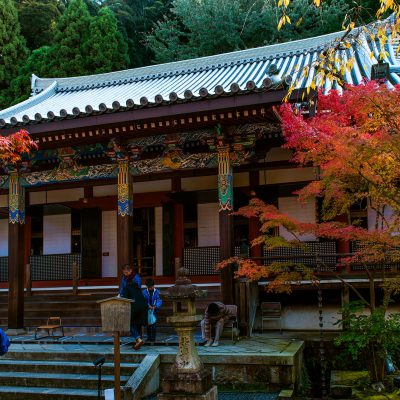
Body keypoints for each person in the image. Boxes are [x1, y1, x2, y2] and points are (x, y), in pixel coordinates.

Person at [119, 266, 147, 350]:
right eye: (124, 272)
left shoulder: (135, 279)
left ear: (130, 271)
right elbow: (122, 288)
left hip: (134, 304)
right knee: (137, 322)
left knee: (130, 322)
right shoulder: (125, 280)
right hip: (141, 304)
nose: (125, 274)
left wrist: (121, 296)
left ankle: (138, 339)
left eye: (126, 272)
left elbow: (124, 291)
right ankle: (139, 341)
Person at [142, 278, 162, 344]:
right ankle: (149, 337)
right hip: (147, 310)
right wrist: (148, 305)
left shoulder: (157, 292)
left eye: (151, 286)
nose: (150, 288)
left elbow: (159, 300)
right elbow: (143, 300)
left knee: (153, 324)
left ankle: (153, 338)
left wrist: (156, 306)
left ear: (154, 285)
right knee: (148, 324)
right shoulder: (144, 292)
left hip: (154, 309)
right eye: (149, 287)